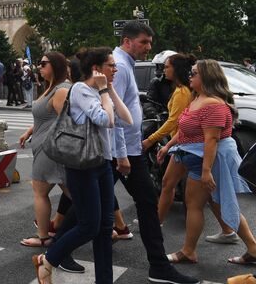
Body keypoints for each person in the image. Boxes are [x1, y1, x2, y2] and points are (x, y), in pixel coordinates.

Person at [34, 47, 133, 284]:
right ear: (97, 69)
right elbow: (105, 120)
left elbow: (126, 119)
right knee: (89, 226)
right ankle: (48, 260)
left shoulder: (102, 91)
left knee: (104, 227)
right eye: (111, 65)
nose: (116, 68)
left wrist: (108, 91)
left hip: (102, 163)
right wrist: (103, 91)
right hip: (82, 166)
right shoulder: (80, 89)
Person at [111, 21, 199, 284]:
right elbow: (114, 114)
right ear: (127, 41)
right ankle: (54, 253)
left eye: (150, 42)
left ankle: (159, 266)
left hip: (129, 148)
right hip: (124, 150)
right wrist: (123, 154)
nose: (149, 48)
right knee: (96, 204)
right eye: (144, 42)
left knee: (142, 203)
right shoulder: (121, 66)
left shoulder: (125, 64)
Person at [159, 60, 256, 265]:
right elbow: (185, 129)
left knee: (196, 205)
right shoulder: (197, 97)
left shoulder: (213, 104)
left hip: (206, 160)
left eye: (194, 73)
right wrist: (168, 147)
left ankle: (188, 251)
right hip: (192, 155)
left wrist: (206, 172)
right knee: (219, 202)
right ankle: (252, 248)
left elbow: (211, 140)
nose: (190, 75)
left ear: (207, 77)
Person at [19, 52, 71, 248]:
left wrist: (52, 142)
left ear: (55, 66)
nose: (39, 67)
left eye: (43, 64)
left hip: (49, 150)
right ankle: (103, 227)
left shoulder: (61, 90)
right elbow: (45, 117)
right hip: (44, 147)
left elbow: (66, 122)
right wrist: (29, 131)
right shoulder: (51, 87)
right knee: (75, 192)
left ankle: (43, 237)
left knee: (40, 190)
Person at [143, 53, 197, 224]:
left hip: (184, 143)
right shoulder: (181, 89)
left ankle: (157, 222)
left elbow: (174, 121)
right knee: (168, 184)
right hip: (181, 142)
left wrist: (151, 139)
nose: (163, 70)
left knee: (171, 185)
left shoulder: (182, 92)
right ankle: (157, 220)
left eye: (167, 67)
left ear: (177, 69)